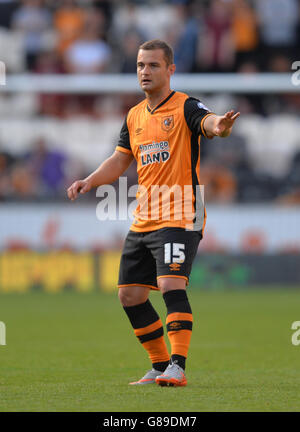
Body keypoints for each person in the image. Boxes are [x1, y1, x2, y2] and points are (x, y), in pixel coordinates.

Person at [67, 39, 240, 387]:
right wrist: (89, 180)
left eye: (153, 65)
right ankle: (160, 366)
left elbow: (207, 122)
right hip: (146, 214)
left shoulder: (185, 105)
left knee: (170, 284)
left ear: (170, 70)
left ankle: (178, 366)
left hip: (182, 210)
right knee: (130, 294)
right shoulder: (133, 116)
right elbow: (119, 160)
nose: (145, 72)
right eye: (140, 66)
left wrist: (218, 125)